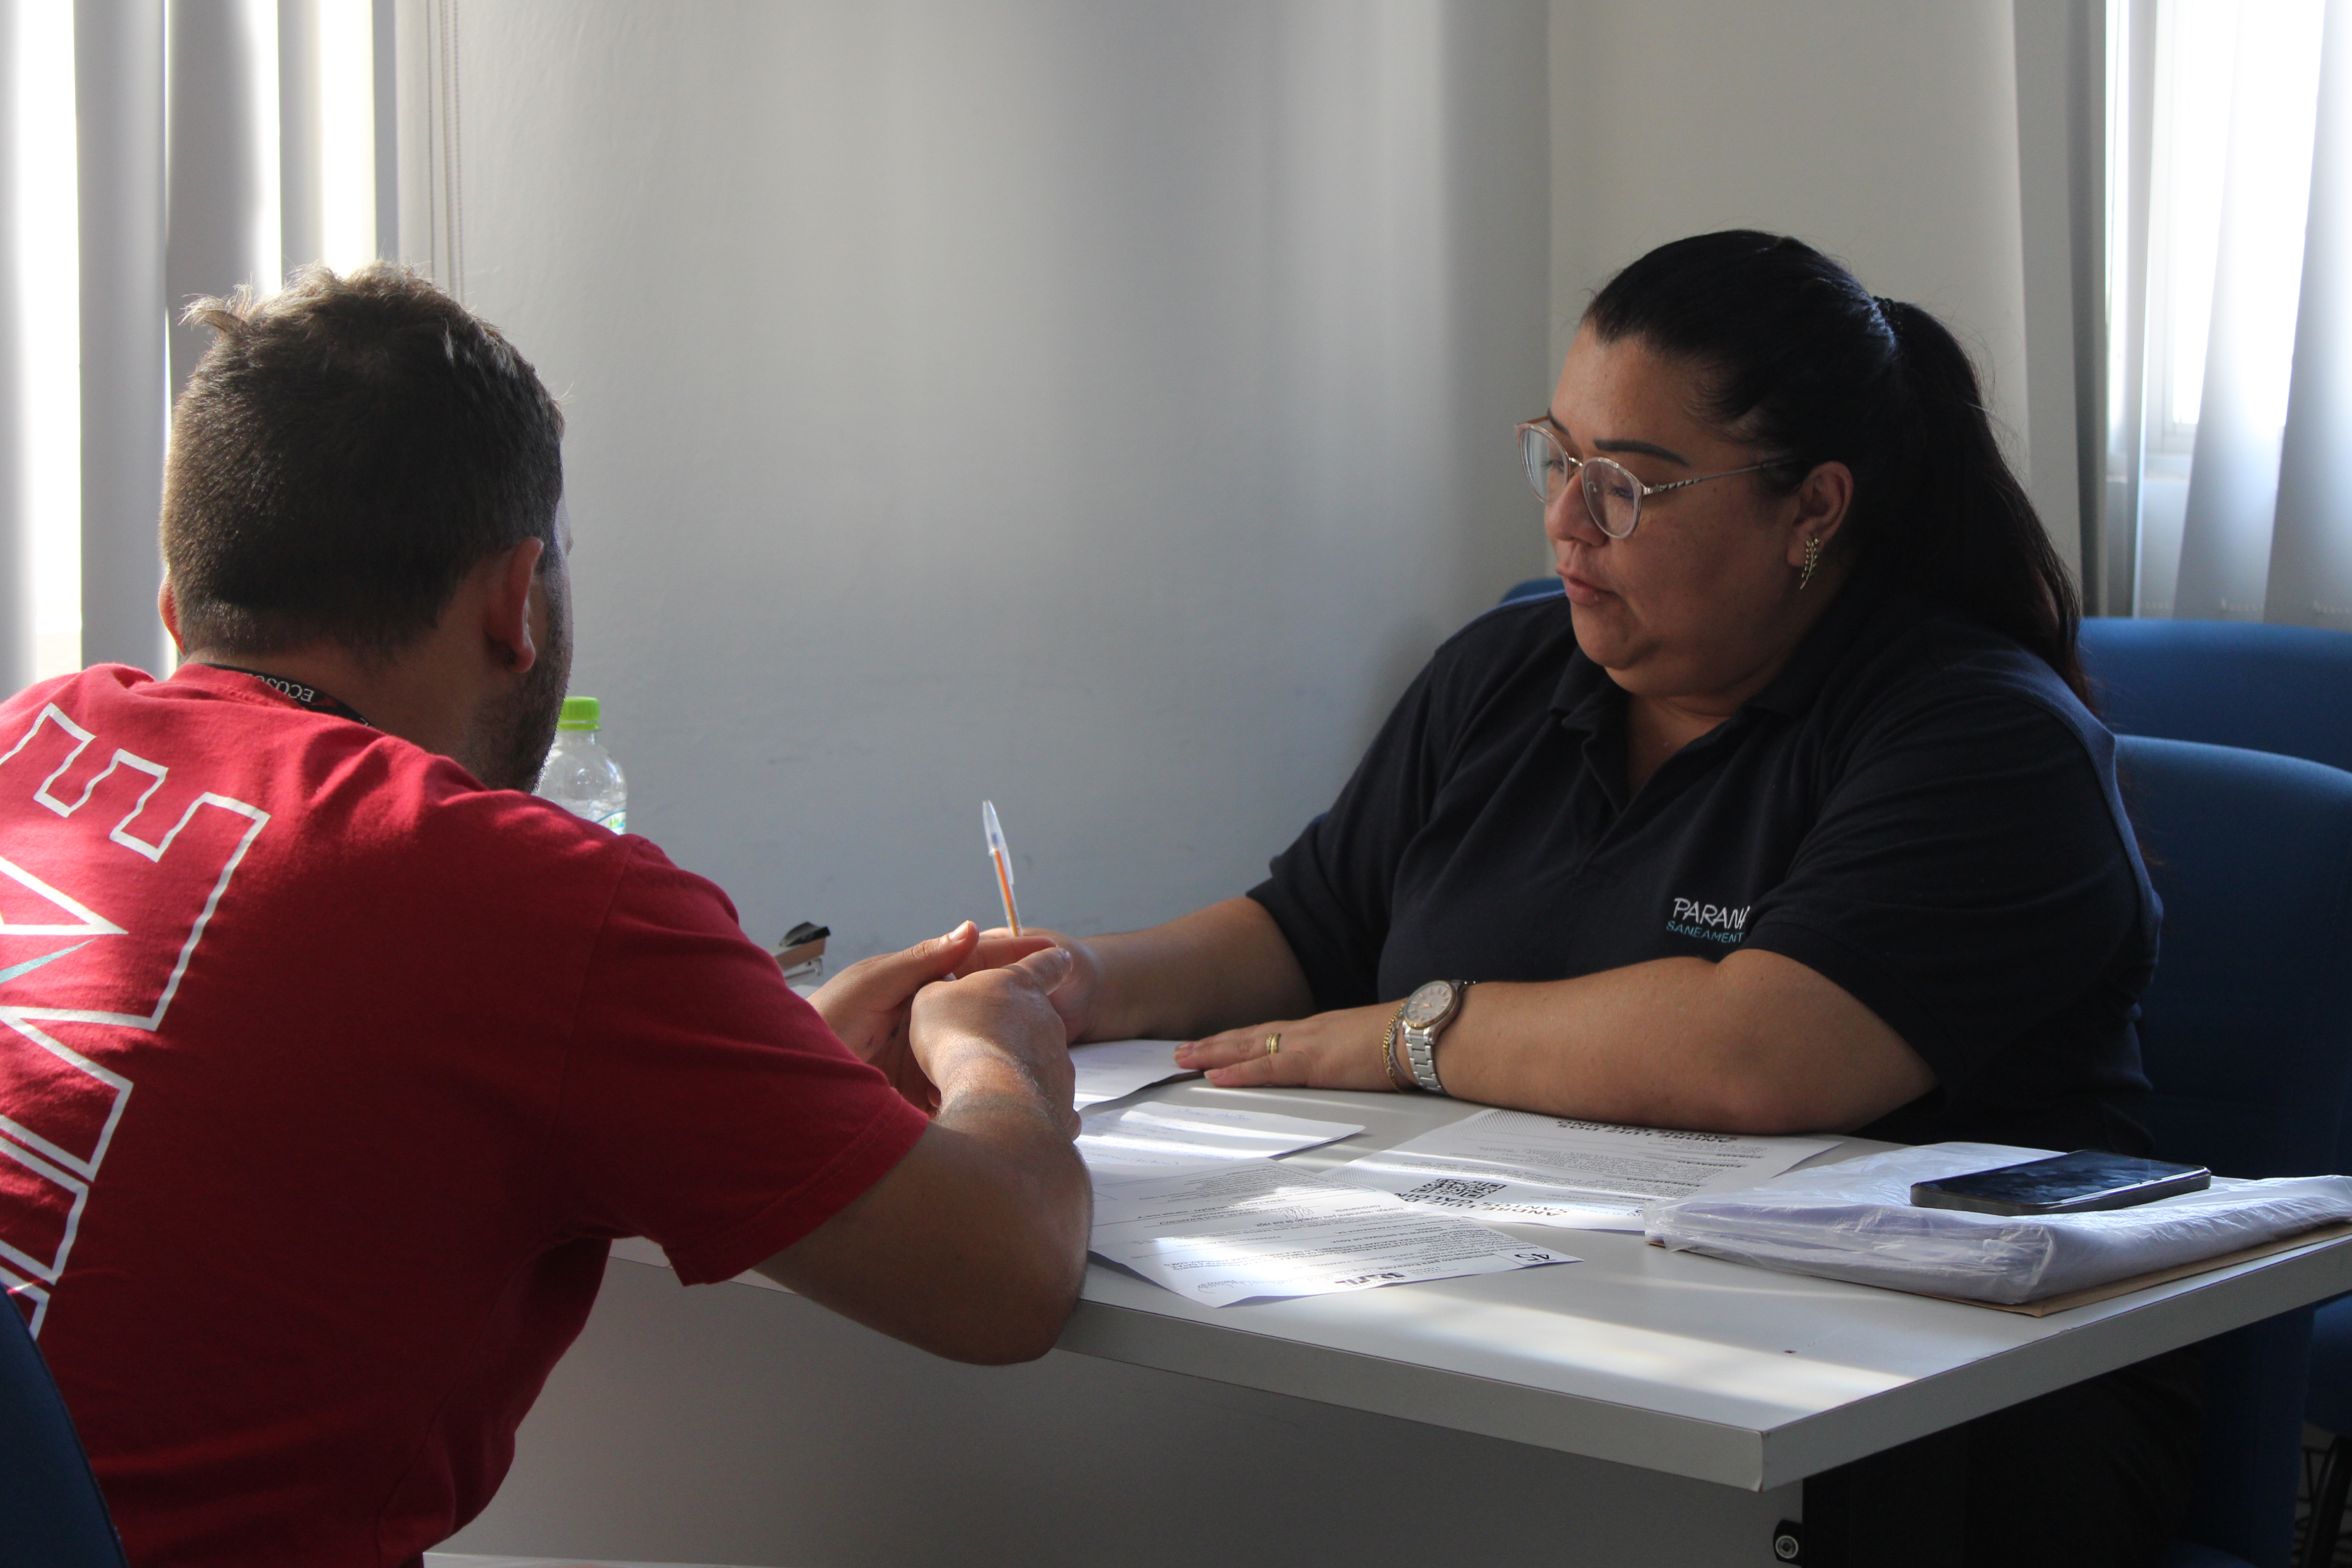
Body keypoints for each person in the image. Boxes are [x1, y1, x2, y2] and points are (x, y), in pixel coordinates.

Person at [1017, 232, 2191, 1566]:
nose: (1568, 520)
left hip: (1933, 1402)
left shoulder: (1981, 739)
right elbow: (1305, 927)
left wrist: (1409, 1032)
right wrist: (1080, 979)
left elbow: (1761, 1054)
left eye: (1629, 484)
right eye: (1557, 458)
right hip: (1535, 1310)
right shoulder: (1503, 674)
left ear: (1813, 508)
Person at [0, 263, 1089, 1566]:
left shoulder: (31, 739)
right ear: (517, 601)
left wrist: (772, 1056)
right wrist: (990, 1053)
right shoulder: (535, 896)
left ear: (187, 613)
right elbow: (1007, 1269)